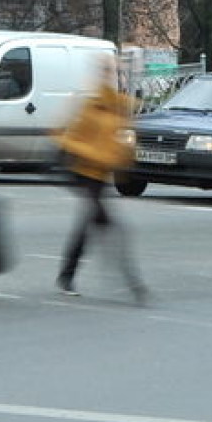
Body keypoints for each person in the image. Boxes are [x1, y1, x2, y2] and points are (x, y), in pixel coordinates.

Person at [54, 57, 147, 302]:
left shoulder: (117, 107)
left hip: (100, 175)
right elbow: (70, 138)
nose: (109, 75)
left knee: (89, 226)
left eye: (112, 71)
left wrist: (122, 160)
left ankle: (67, 275)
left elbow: (123, 142)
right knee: (111, 227)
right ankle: (133, 282)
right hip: (84, 174)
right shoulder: (91, 105)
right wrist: (94, 155)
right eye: (105, 71)